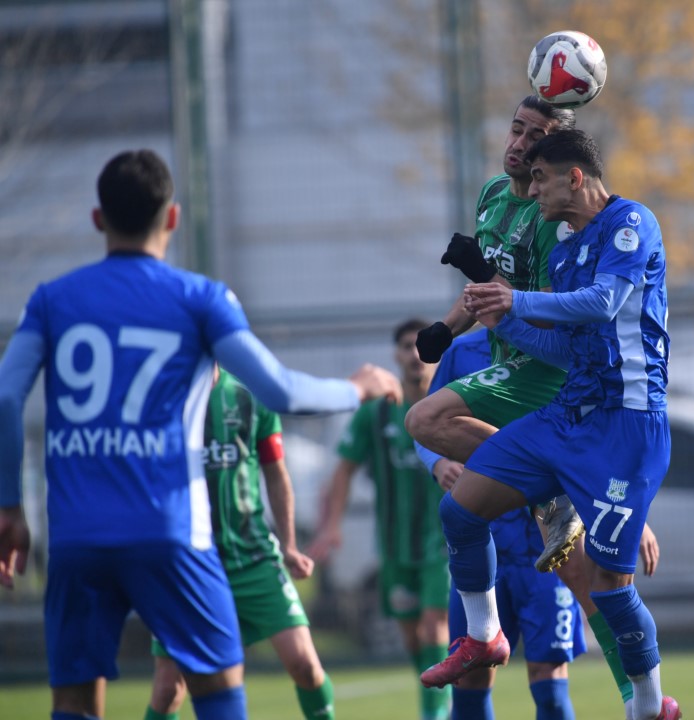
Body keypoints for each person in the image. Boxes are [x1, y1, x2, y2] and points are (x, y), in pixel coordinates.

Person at [0, 149, 401, 720]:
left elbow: (6, 397)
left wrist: (9, 507)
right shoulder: (198, 298)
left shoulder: (50, 301)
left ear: (98, 220)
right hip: (169, 534)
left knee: (74, 702)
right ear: (172, 218)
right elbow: (282, 392)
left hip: (75, 537)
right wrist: (356, 387)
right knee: (217, 690)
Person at [405, 95, 662, 717]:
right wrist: (460, 323)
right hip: (550, 397)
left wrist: (511, 303)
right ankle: (484, 633)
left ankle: (647, 702)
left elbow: (591, 308)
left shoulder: (604, 226)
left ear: (565, 171)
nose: (520, 147)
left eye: (537, 141)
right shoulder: (505, 202)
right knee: (445, 475)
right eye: (516, 131)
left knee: (602, 589)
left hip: (606, 413)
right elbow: (510, 304)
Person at [144, 368, 335, 720]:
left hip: (253, 558)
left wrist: (290, 545)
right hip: (189, 567)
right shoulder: (161, 401)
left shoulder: (250, 397)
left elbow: (276, 473)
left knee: (305, 665)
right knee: (169, 689)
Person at [415, 328, 587, 719]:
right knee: (470, 678)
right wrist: (438, 463)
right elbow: (426, 423)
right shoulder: (462, 352)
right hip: (483, 541)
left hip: (546, 542)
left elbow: (590, 432)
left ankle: (645, 695)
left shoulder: (555, 343)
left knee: (548, 676)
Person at [307, 318, 451, 720]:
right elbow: (343, 470)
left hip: (442, 541)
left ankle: (436, 712)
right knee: (411, 634)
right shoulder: (376, 414)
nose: (415, 355)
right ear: (396, 355)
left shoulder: (453, 404)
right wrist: (331, 525)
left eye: (422, 347)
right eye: (407, 346)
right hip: (394, 543)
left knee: (433, 626)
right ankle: (436, 694)